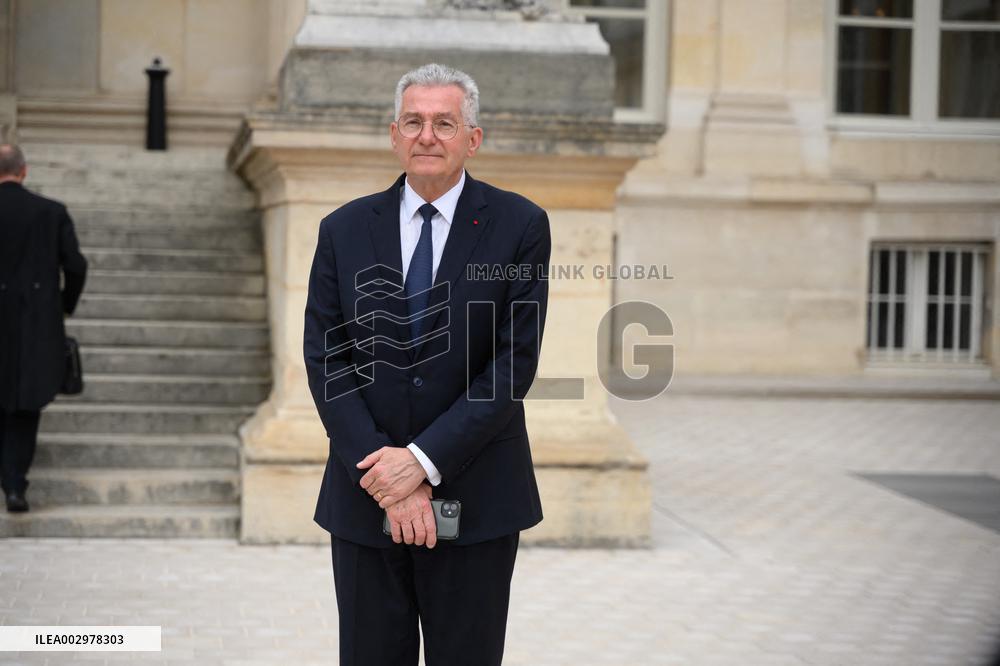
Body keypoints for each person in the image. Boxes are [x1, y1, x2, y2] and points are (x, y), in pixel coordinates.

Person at [303, 63, 550, 666]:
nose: (428, 135)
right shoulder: (342, 230)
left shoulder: (520, 226)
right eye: (414, 121)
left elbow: (512, 364)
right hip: (366, 499)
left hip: (478, 499)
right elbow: (326, 356)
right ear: (394, 134)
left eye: (445, 122)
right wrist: (387, 478)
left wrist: (420, 463)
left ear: (473, 138)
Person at [0, 143, 87, 513]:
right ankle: (15, 485)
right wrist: (63, 306)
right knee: (26, 404)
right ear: (24, 171)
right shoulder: (51, 213)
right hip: (36, 322)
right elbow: (77, 267)